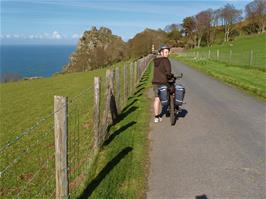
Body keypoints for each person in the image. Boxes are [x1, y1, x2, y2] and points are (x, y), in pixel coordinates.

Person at [152, 44, 172, 123]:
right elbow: (168, 72)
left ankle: (156, 117)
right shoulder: (166, 60)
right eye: (166, 52)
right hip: (163, 82)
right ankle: (169, 109)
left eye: (167, 52)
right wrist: (170, 76)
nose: (167, 53)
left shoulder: (156, 61)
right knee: (168, 94)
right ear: (161, 53)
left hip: (155, 82)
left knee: (157, 99)